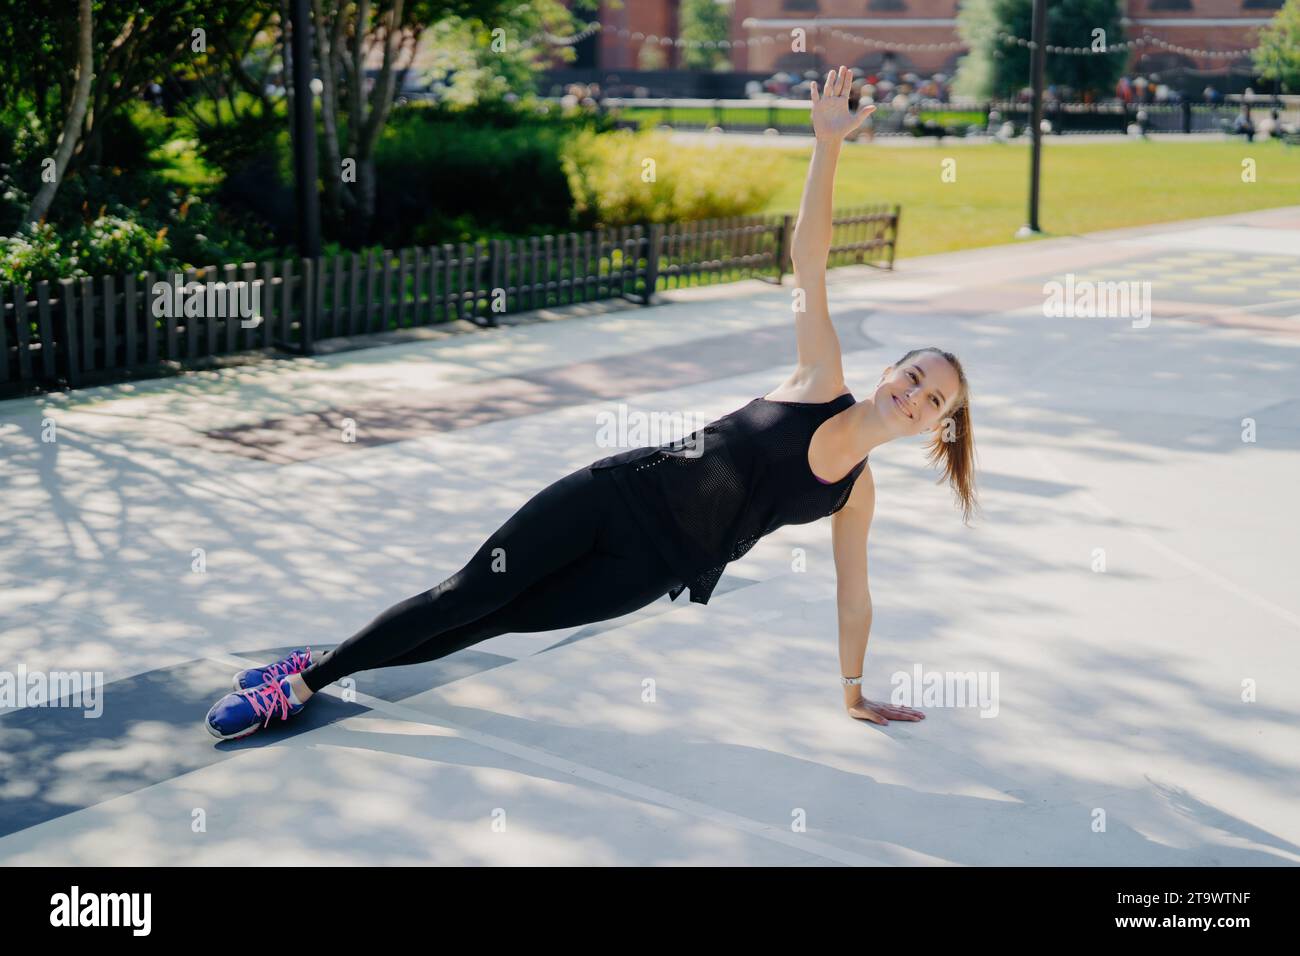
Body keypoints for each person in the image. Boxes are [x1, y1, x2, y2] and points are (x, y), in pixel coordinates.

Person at [203, 65, 978, 741]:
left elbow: (854, 594)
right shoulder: (820, 376)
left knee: (491, 621)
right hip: (616, 496)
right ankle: (296, 689)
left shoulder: (855, 495)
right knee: (469, 592)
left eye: (932, 399)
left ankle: (325, 664)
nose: (914, 396)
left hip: (649, 568)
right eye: (913, 377)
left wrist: (853, 695)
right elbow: (807, 255)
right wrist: (828, 145)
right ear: (889, 372)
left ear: (936, 427)